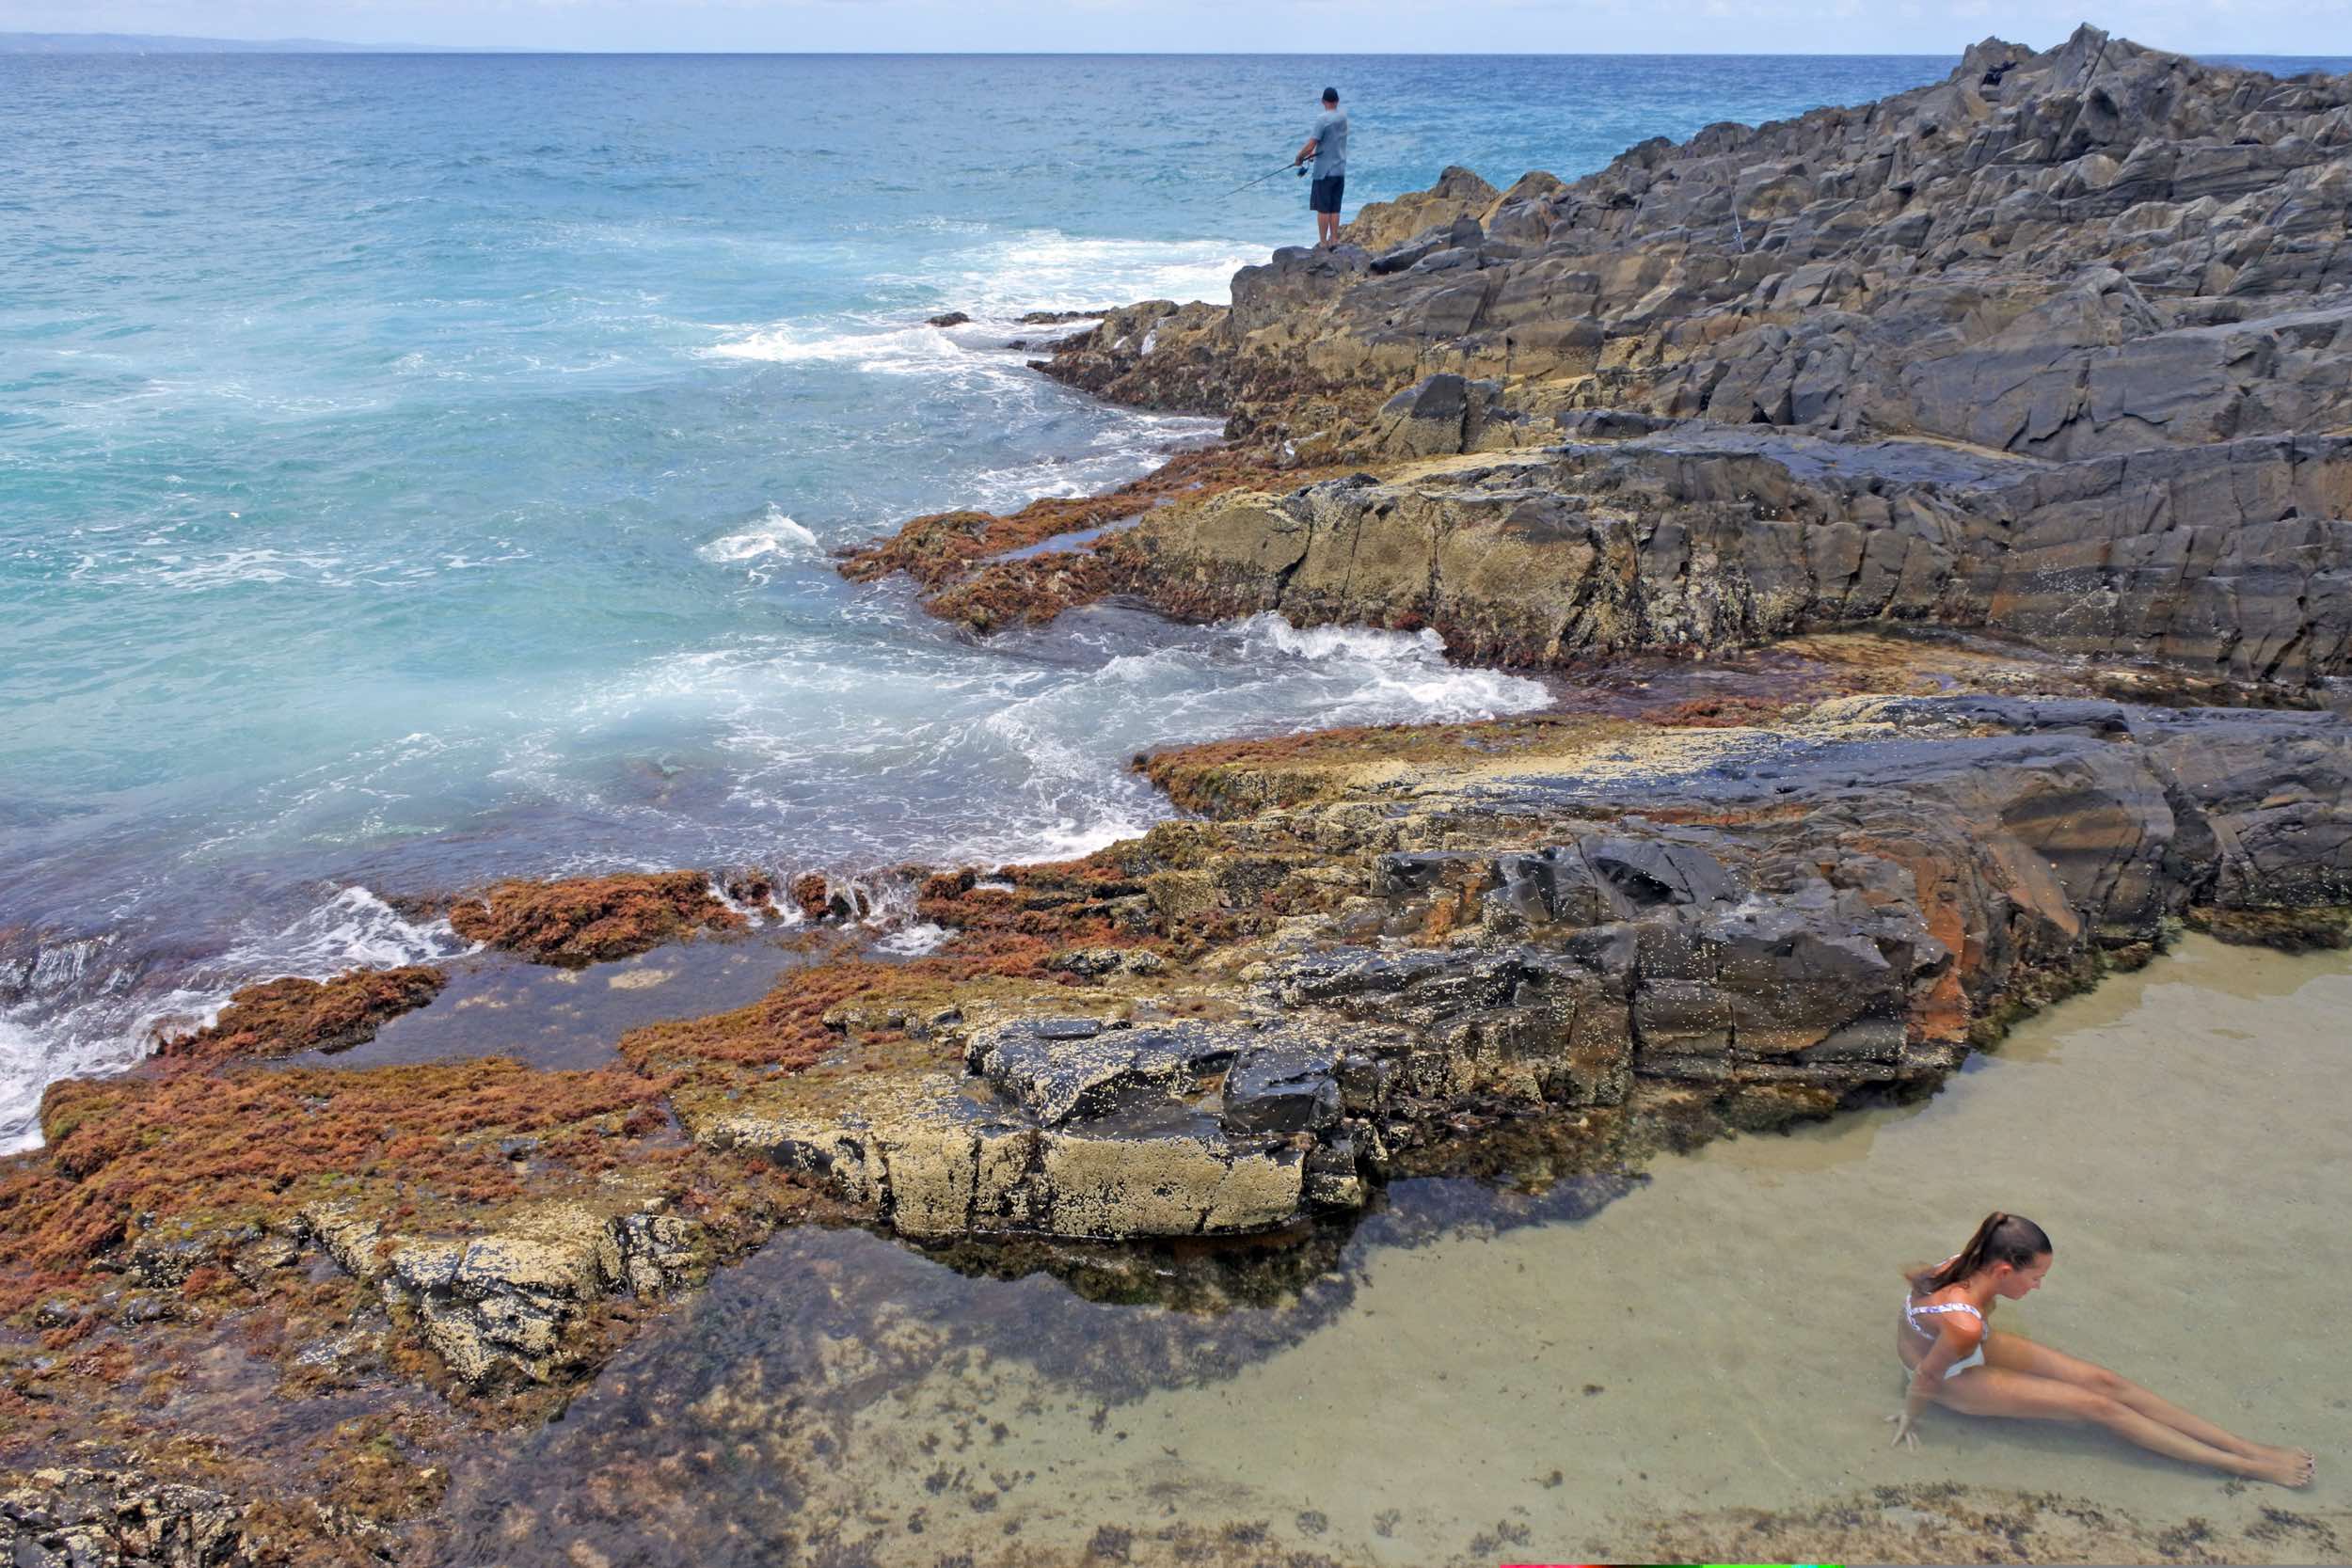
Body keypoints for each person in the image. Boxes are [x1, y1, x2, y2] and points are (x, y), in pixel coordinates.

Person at [1890, 1212, 2313, 1487]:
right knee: (2099, 1407)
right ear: (2003, 1270)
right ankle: (2244, 1468)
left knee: (2105, 1383)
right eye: (2035, 1277)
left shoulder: (1969, 1260)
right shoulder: (1963, 1323)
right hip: (1947, 1377)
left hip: (1956, 1345)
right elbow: (1928, 1373)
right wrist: (1911, 1415)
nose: (2037, 1286)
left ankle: (2243, 1445)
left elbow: (1946, 1323)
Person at [1294, 87, 1348, 247]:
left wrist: (1299, 157)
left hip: (1324, 172)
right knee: (1335, 208)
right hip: (1339, 170)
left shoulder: (1322, 119)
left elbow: (1311, 144)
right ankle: (1334, 240)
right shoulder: (1343, 117)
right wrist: (1315, 153)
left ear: (1323, 101)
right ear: (1337, 101)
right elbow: (1331, 141)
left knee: (1323, 209)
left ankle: (1324, 243)